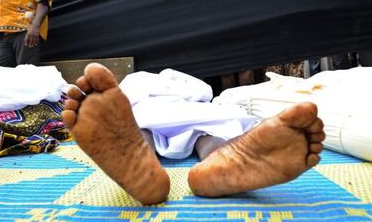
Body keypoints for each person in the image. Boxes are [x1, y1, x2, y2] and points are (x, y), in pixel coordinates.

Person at [62, 63, 325, 205]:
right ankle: (218, 161)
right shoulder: (187, 83)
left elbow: (126, 98)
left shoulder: (138, 81)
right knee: (211, 135)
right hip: (196, 111)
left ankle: (139, 155)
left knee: (140, 130)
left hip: (144, 112)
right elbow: (205, 93)